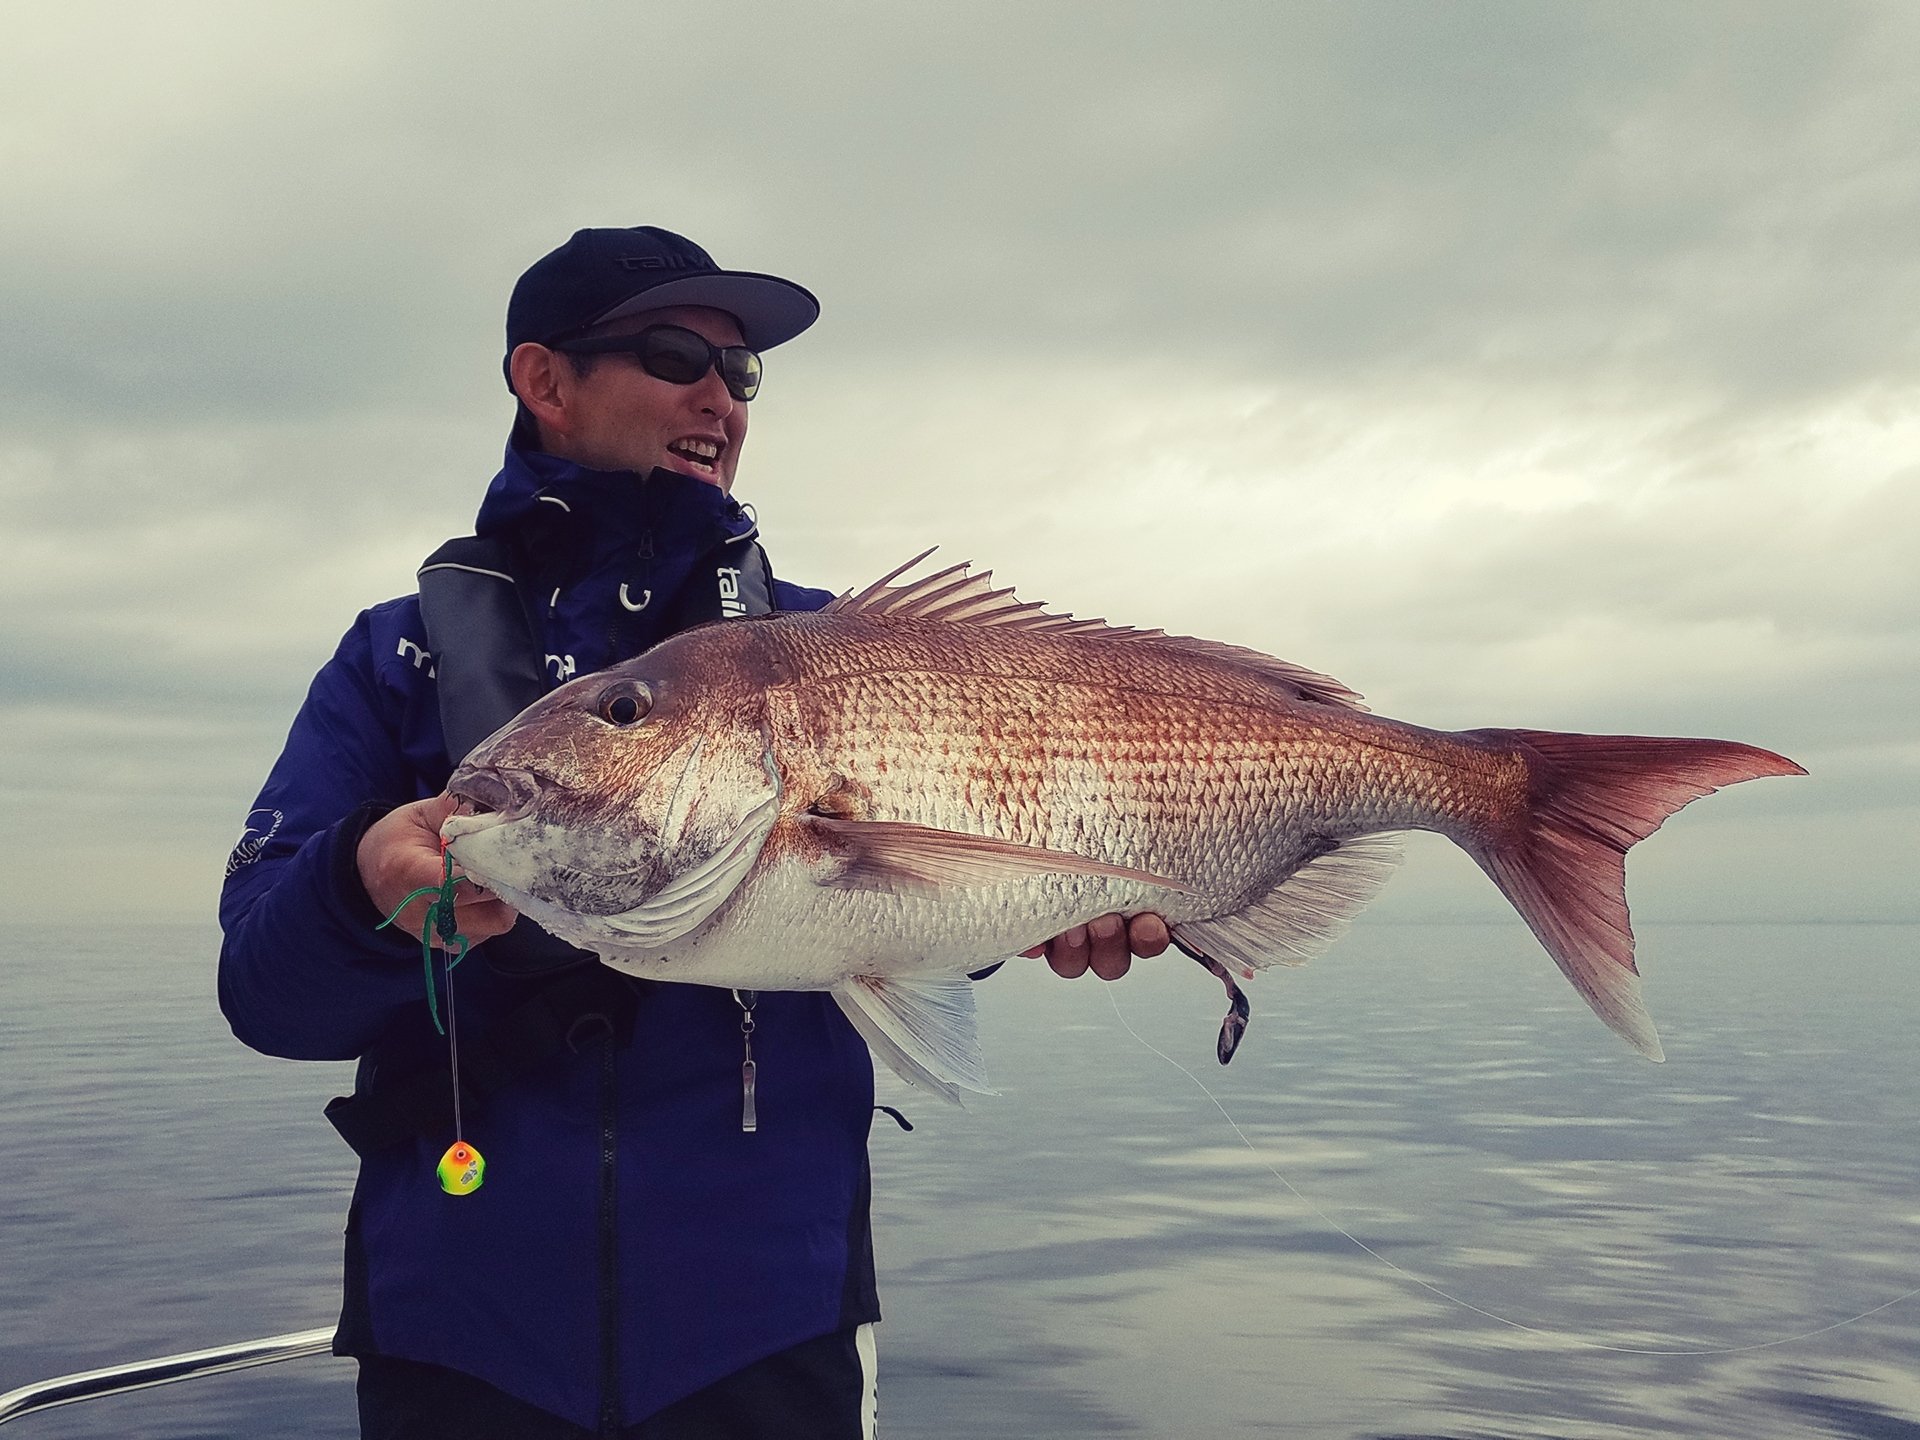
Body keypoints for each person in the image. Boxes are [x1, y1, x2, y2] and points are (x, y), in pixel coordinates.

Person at [218, 225, 1167, 1439]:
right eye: (676, 355)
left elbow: (934, 909)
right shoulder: (393, 658)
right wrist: (361, 889)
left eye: (742, 370)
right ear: (544, 379)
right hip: (459, 1335)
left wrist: (1048, 909)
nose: (721, 396)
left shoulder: (846, 651)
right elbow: (266, 998)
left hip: (769, 1333)